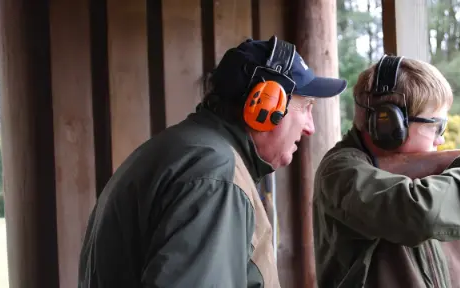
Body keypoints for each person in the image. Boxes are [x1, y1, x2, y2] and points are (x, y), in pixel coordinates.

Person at [77, 35, 347, 288]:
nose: (310, 127)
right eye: (306, 107)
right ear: (266, 104)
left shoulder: (187, 152)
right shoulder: (216, 176)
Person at [312, 54, 460, 288]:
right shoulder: (341, 172)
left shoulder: (438, 176)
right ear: (390, 125)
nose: (442, 138)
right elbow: (421, 212)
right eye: (437, 126)